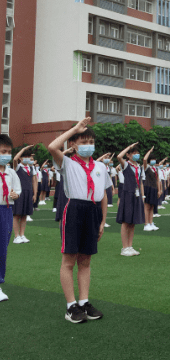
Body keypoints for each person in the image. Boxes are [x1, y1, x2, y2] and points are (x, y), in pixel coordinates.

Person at [48, 117, 111, 323]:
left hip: (93, 212)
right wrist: (74, 129)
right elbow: (52, 146)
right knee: (69, 260)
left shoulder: (100, 167)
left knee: (86, 259)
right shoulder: (66, 162)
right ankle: (71, 306)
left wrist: (102, 221)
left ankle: (84, 302)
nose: (88, 146)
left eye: (91, 142)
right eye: (83, 142)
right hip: (74, 209)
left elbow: (102, 195)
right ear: (73, 145)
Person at [0, 134, 21, 302]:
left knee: (2, 249)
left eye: (8, 152)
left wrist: (15, 194)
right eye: (2, 151)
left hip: (6, 210)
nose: (6, 155)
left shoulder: (11, 172)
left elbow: (18, 191)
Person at [116, 142, 145, 256]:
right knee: (126, 221)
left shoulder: (139, 167)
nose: (136, 155)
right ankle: (124, 248)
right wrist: (128, 147)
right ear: (128, 155)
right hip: (127, 194)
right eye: (133, 153)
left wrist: (142, 196)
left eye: (137, 153)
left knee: (133, 222)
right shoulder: (126, 165)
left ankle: (130, 246)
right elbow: (119, 157)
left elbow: (141, 182)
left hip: (136, 195)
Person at [12, 145, 36, 243]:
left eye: (28, 156)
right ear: (21, 158)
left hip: (28, 193)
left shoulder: (31, 168)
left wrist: (34, 194)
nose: (27, 159)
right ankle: (16, 236)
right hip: (19, 194)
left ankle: (22, 235)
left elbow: (34, 181)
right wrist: (23, 149)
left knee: (25, 215)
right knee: (17, 215)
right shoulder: (17, 167)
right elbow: (14, 159)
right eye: (25, 156)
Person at [143, 148, 162, 232]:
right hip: (147, 188)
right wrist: (149, 151)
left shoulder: (156, 169)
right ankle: (146, 224)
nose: (153, 161)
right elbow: (144, 159)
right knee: (147, 206)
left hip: (154, 189)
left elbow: (158, 180)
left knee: (152, 206)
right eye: (152, 160)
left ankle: (151, 223)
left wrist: (159, 190)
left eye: (154, 160)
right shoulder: (146, 167)